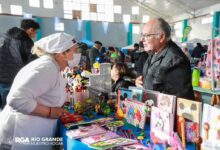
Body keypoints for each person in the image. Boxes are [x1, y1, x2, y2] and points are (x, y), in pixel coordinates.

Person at [0, 33, 78, 150]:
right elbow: (16, 99)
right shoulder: (46, 68)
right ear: (62, 53)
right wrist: (50, 112)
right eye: (75, 51)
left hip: (33, 134)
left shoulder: (52, 66)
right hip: (21, 135)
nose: (77, 55)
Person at [135, 18, 194, 100]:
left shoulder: (175, 60)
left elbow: (177, 100)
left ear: (162, 37)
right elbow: (155, 80)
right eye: (142, 35)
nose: (142, 39)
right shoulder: (154, 53)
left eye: (147, 35)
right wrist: (141, 82)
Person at [0, 19, 40, 110]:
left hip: (1, 78)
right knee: (9, 106)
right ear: (30, 30)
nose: (35, 35)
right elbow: (33, 62)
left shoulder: (4, 36)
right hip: (13, 78)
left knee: (3, 104)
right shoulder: (26, 41)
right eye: (35, 32)